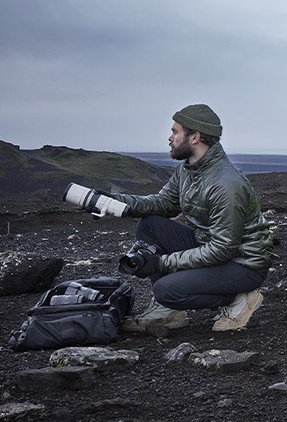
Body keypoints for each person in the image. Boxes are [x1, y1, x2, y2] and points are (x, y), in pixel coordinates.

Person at [115, 104, 274, 336]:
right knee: (150, 224)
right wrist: (116, 202)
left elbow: (222, 249)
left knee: (166, 290)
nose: (170, 138)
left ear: (195, 137)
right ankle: (168, 313)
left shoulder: (225, 184)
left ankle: (239, 298)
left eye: (175, 132)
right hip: (212, 247)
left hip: (242, 264)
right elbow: (163, 204)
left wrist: (161, 263)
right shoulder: (188, 170)